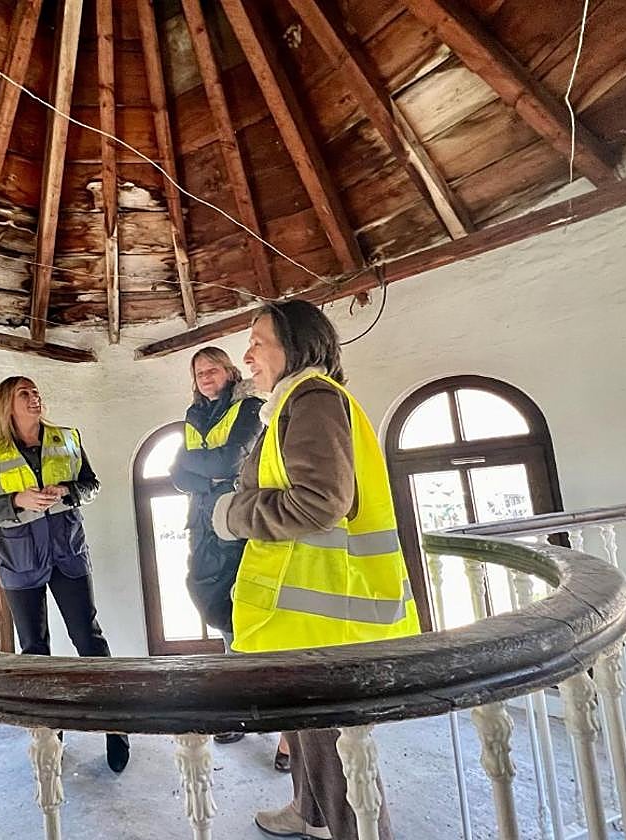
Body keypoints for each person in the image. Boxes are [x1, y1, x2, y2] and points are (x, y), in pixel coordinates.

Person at [211, 300, 419, 840]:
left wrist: (231, 515)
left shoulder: (315, 400)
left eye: (259, 340)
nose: (247, 353)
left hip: (329, 611)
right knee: (308, 726)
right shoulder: (289, 404)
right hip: (303, 612)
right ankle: (310, 811)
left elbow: (319, 502)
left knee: (331, 738)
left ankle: (351, 829)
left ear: (297, 345)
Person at [0, 376, 129, 773]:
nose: (35, 397)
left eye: (36, 391)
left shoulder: (67, 438)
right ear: (7, 404)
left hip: (67, 554)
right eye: (25, 394)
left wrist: (69, 492)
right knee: (34, 650)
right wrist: (15, 500)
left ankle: (115, 726)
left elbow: (92, 485)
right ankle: (48, 734)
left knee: (88, 639)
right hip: (20, 560)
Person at [170, 347, 287, 763]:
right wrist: (211, 475)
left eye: (212, 369)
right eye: (198, 371)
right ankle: (240, 711)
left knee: (257, 614)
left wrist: (206, 469)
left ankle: (287, 730)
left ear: (229, 371)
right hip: (204, 524)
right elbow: (177, 472)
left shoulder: (250, 405)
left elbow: (231, 457)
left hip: (240, 522)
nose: (205, 376)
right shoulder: (193, 415)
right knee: (221, 612)